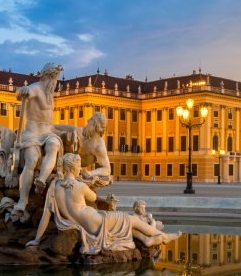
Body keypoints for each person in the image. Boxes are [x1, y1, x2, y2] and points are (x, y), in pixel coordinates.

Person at [28, 154, 178, 254]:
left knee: (126, 224)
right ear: (74, 168)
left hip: (88, 224)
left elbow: (46, 216)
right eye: (79, 166)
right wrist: (91, 181)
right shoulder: (80, 186)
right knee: (130, 219)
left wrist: (37, 240)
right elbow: (93, 197)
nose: (81, 169)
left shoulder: (54, 186)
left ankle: (146, 239)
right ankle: (163, 236)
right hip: (97, 222)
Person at [12, 62, 64, 218]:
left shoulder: (50, 93)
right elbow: (19, 93)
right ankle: (23, 200)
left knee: (54, 144)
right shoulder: (35, 88)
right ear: (48, 77)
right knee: (32, 160)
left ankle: (41, 180)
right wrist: (23, 91)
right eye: (55, 78)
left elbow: (52, 122)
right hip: (32, 133)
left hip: (47, 132)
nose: (56, 82)